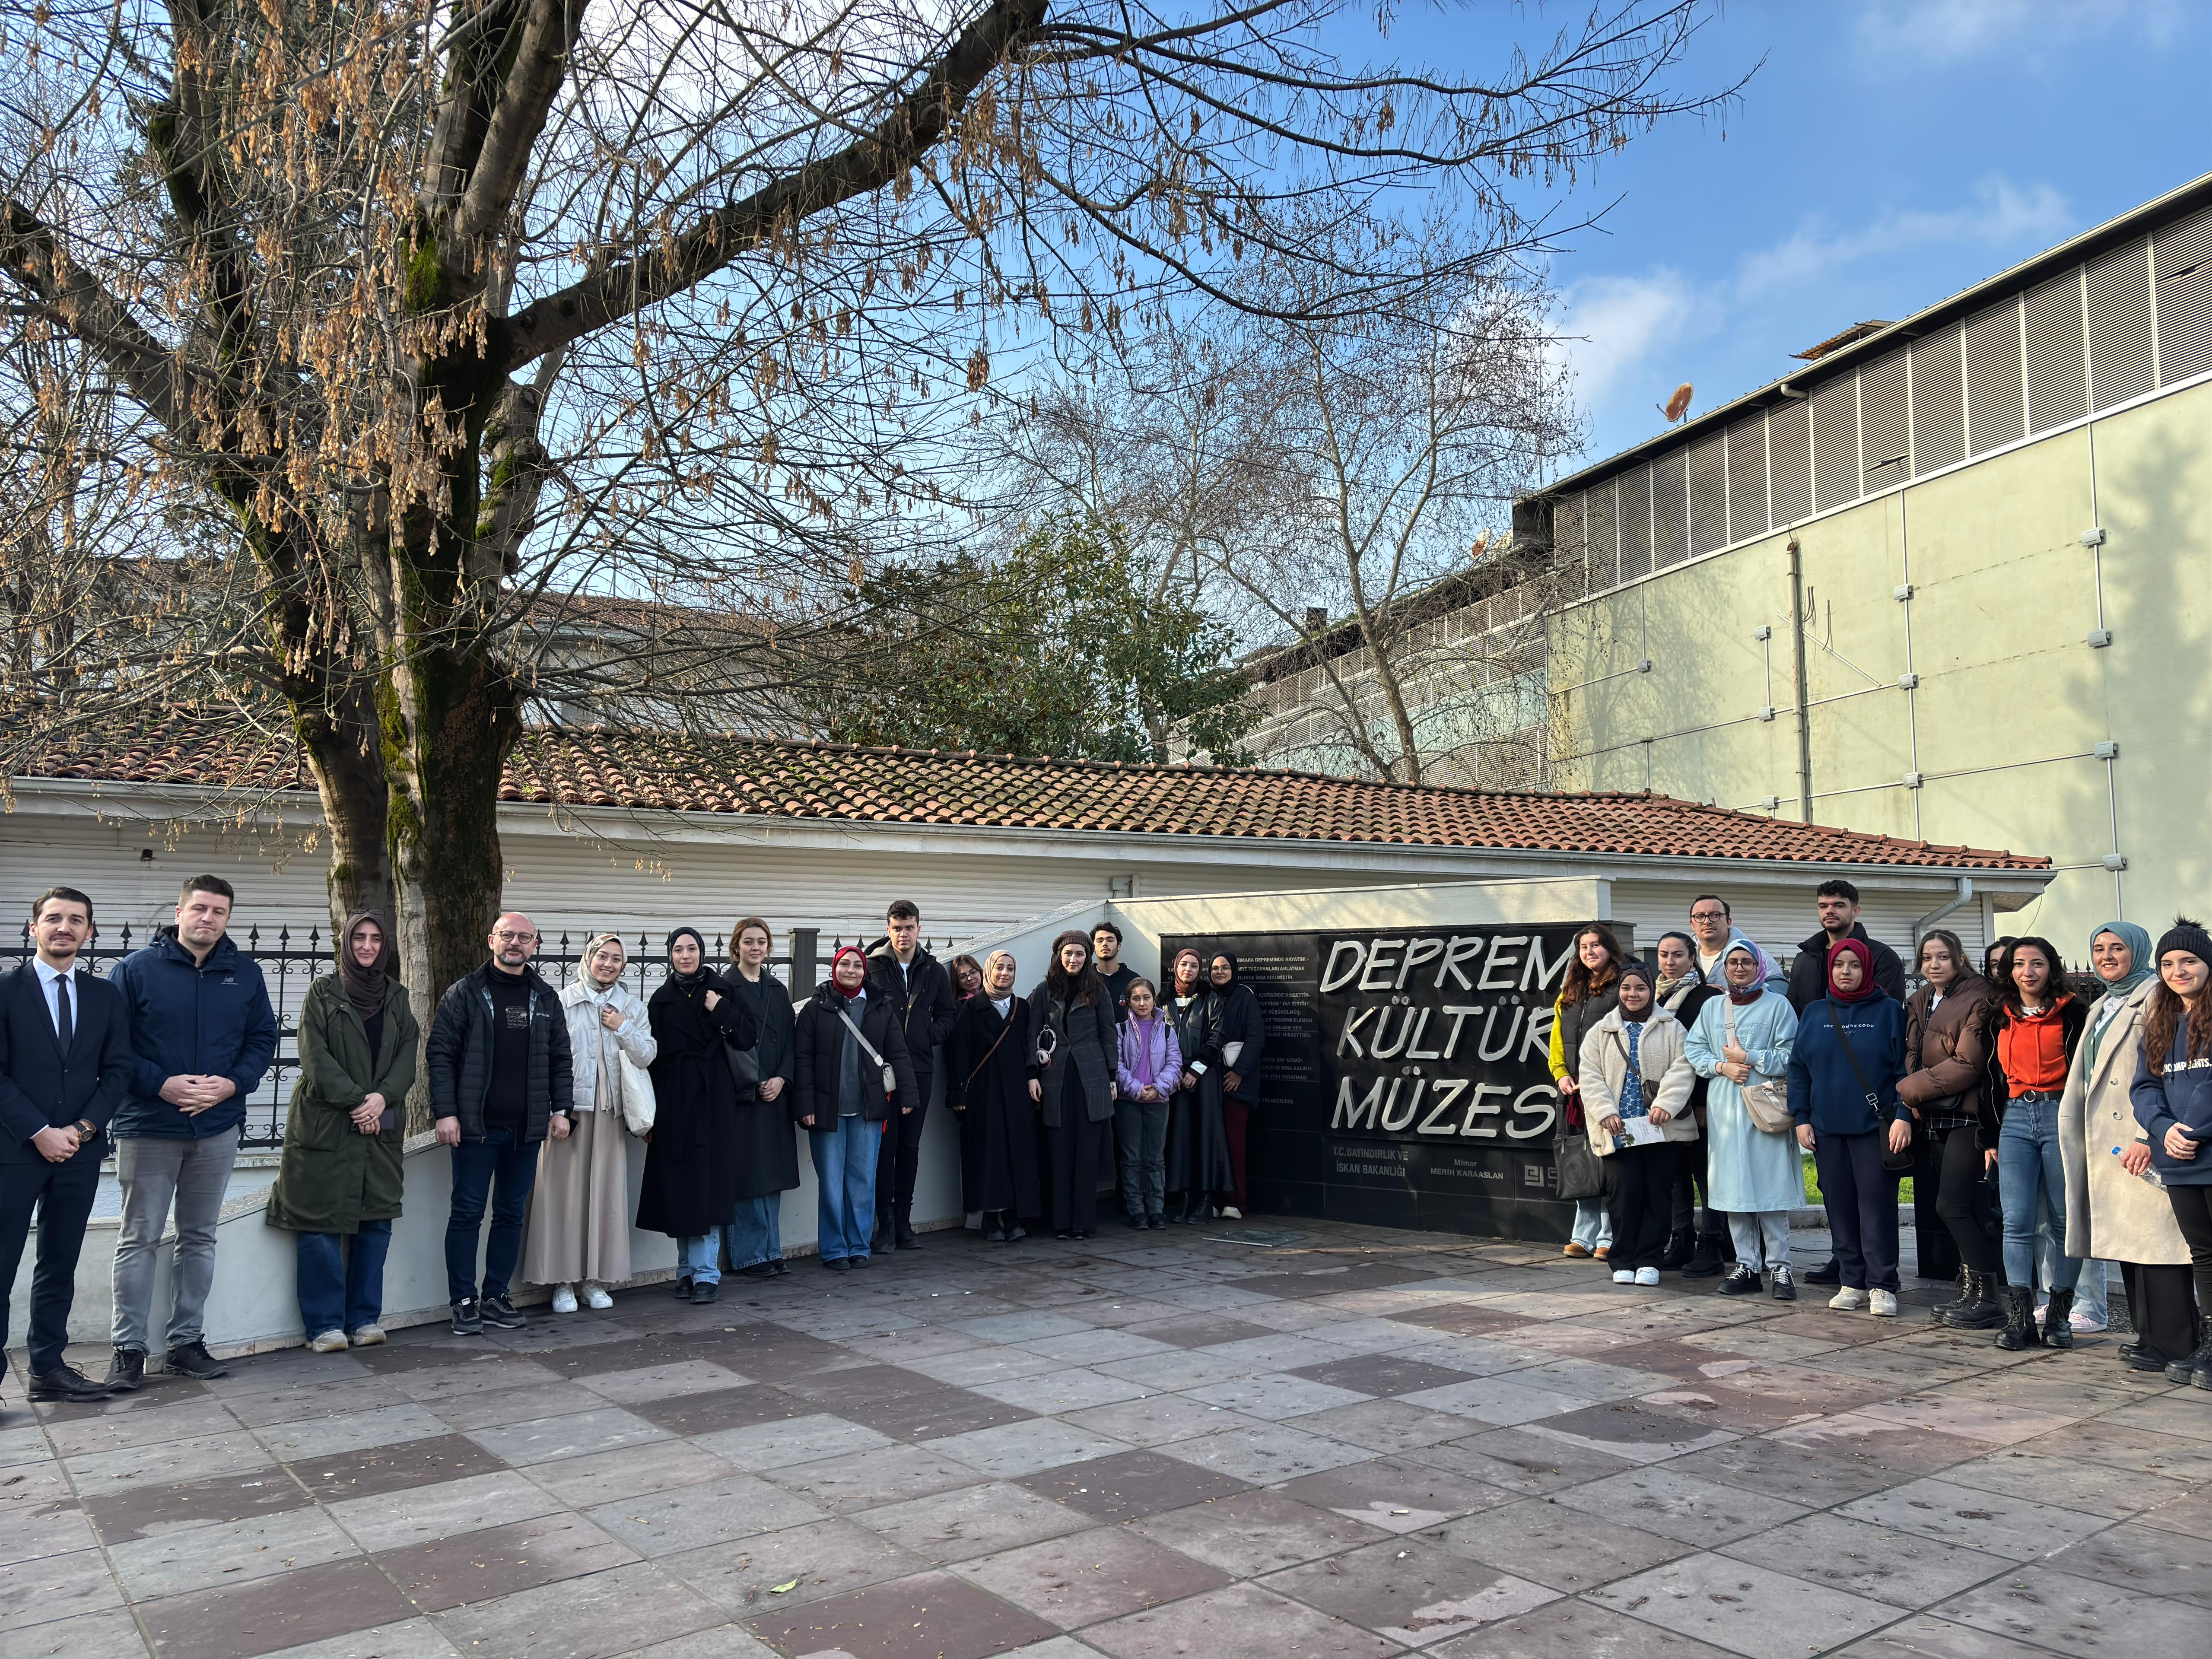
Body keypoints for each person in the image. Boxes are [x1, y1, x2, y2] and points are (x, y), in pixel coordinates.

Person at [106, 874, 279, 1390]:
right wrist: (160, 1085)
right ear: (179, 913)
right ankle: (128, 1349)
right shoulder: (135, 971)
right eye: (199, 909)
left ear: (229, 918)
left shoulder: (245, 974)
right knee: (138, 1238)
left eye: (219, 912)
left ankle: (186, 1343)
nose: (208, 919)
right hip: (149, 1126)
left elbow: (262, 1039)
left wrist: (231, 1085)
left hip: (217, 1128)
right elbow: (112, 1046)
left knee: (199, 1237)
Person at [0, 888, 133, 1403]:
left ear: (89, 932)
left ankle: (47, 1369)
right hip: (14, 1151)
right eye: (53, 918)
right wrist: (39, 1131)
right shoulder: (6, 992)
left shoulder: (105, 997)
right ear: (33, 928)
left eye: (76, 920)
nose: (65, 927)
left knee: (58, 1264)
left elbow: (118, 1071)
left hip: (78, 1155)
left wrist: (79, 1131)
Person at [266, 914, 417, 1352]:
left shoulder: (398, 997)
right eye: (360, 938)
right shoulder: (323, 993)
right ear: (346, 942)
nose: (367, 946)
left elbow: (408, 1055)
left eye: (375, 939)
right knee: (318, 1222)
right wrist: (356, 1100)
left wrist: (379, 1100)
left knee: (377, 1221)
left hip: (381, 1120)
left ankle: (365, 1317)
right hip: (327, 1122)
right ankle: (324, 1326)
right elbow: (314, 1056)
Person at [427, 911, 574, 1336]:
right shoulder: (465, 993)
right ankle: (463, 1301)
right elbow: (440, 1054)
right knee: (467, 1215)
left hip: (527, 1130)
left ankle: (495, 1296)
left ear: (534, 946)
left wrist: (561, 1110)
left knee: (510, 1215)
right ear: (491, 940)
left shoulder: (545, 997)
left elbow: (561, 1058)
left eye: (524, 938)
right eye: (507, 935)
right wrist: (446, 1112)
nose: (515, 943)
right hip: (476, 1128)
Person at [2060, 922, 2195, 1372]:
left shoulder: (2157, 995)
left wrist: (2147, 1135)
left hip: (2142, 1136)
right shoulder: (2102, 1002)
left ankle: (2175, 1343)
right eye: (2098, 949)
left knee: (2158, 1245)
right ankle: (2148, 1337)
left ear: (2135, 951)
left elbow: (2159, 1069)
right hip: (2108, 1141)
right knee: (2130, 1245)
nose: (2105, 957)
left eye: (2116, 948)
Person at [528, 933, 655, 1311]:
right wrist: (556, 1109)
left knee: (605, 1198)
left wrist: (622, 1026)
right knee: (562, 1198)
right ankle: (562, 1282)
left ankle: (595, 1280)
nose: (609, 964)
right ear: (589, 957)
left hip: (610, 1114)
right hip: (569, 1115)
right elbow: (545, 1057)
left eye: (617, 959)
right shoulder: (562, 1001)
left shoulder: (630, 1007)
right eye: (603, 956)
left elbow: (648, 1054)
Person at [639, 927, 760, 1305]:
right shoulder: (659, 1000)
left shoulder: (723, 990)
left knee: (706, 1187)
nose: (686, 956)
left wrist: (719, 1009)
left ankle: (707, 1273)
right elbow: (652, 1061)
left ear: (702, 952)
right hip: (673, 1101)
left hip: (713, 1099)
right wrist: (649, 1116)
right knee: (679, 1187)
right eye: (679, 949)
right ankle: (686, 1272)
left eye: (692, 949)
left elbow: (747, 1037)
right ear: (671, 955)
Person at [1790, 939, 1911, 1317]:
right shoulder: (1814, 1012)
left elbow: (1904, 1070)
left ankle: (1882, 1285)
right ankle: (1851, 1281)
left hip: (1875, 1128)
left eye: (1854, 965)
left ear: (1867, 969)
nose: (1846, 971)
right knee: (1838, 1206)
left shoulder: (1891, 1011)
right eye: (1839, 965)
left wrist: (1903, 1115)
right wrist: (1801, 1116)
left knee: (1876, 1207)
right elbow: (1799, 1068)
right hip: (1826, 1127)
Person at [1983, 935, 2088, 1350]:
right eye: (2020, 963)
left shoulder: (2075, 1012)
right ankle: (2021, 1318)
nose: (2029, 971)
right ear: (2010, 970)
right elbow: (1990, 1078)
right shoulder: (1999, 1015)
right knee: (2017, 1222)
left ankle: (2059, 1317)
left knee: (2066, 1221)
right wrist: (1989, 1136)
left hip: (2061, 1114)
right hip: (2013, 1118)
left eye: (2038, 963)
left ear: (2052, 968)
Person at [1686, 939, 1802, 1299]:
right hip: (1725, 1108)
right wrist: (1721, 1066)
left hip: (1764, 1107)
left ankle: (1781, 1268)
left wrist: (1749, 1057)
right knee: (1734, 1190)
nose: (1739, 968)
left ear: (1759, 967)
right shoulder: (1712, 1007)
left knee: (1770, 1189)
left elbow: (1792, 1054)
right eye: (1733, 962)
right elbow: (1694, 1049)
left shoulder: (1778, 1005)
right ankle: (1747, 1265)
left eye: (1747, 962)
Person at [1899, 929, 2001, 1329]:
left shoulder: (1979, 995)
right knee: (1956, 1208)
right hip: (1935, 1114)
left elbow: (1969, 1063)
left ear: (1959, 958)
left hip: (1968, 1115)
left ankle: (1989, 1297)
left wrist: (1908, 1092)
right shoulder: (1922, 999)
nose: (1934, 964)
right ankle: (1971, 1291)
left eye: (1943, 957)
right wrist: (1916, 1098)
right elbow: (1912, 1053)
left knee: (1953, 1206)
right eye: (1927, 958)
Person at [794, 945, 917, 1269]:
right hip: (826, 1111)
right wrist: (805, 1105)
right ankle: (835, 1249)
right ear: (834, 968)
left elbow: (898, 1053)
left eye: (857, 966)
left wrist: (908, 1095)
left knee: (862, 1182)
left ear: (865, 971)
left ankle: (859, 1245)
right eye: (844, 964)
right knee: (832, 1184)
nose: (851, 970)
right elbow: (802, 1060)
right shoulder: (815, 1009)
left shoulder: (880, 1006)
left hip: (869, 1110)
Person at [1578, 961, 1698, 1287]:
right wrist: (1605, 1111)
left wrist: (1666, 1104)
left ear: (1651, 991)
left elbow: (1683, 1067)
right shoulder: (1601, 1031)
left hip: (1660, 1128)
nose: (1633, 994)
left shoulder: (1671, 1027)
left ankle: (1649, 1260)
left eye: (1641, 988)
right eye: (1627, 988)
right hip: (1619, 1130)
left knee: (1658, 1194)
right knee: (1623, 1194)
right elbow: (1590, 1076)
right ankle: (1623, 1259)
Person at [2132, 918, 2212, 1387]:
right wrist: (2163, 1129)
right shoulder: (2161, 1021)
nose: (2177, 971)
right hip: (2177, 1159)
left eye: (2188, 961)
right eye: (2167, 963)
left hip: (2202, 1149)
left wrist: (2193, 1130)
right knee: (2203, 1253)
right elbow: (2144, 1087)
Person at [867, 901, 957, 1250]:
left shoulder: (934, 970)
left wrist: (926, 1038)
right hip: (883, 1072)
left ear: (920, 928)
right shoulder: (873, 966)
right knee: (884, 1148)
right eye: (897, 928)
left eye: (909, 927)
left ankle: (904, 1224)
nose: (904, 934)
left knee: (909, 1148)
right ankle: (884, 1226)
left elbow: (948, 1015)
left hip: (919, 1070)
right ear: (888, 930)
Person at [1027, 931, 1119, 1239]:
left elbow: (1109, 1034)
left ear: (1088, 957)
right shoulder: (1043, 991)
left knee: (1087, 1151)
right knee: (1060, 1150)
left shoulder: (1099, 990)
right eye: (1068, 954)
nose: (1074, 960)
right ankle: (1062, 1222)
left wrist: (1111, 1077)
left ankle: (1084, 1222)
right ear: (1059, 956)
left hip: (1091, 1078)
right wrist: (1032, 1074)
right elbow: (1031, 1034)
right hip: (1055, 1078)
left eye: (1080, 954)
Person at [947, 949, 1041, 1240]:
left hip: (1016, 1093)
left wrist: (1032, 1078)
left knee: (1018, 1152)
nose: (1005, 973)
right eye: (999, 968)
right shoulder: (971, 1008)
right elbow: (958, 1054)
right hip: (983, 1094)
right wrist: (958, 1094)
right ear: (989, 971)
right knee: (987, 1154)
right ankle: (990, 1217)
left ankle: (1014, 1216)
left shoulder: (1023, 1008)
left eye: (1010, 969)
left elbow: (1030, 1048)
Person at [723, 918, 799, 1279]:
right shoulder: (724, 986)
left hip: (775, 1095)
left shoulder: (777, 989)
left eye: (762, 942)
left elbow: (790, 1040)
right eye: (749, 942)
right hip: (743, 1096)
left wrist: (782, 1078)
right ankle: (749, 1255)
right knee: (746, 1175)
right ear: (737, 946)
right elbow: (724, 1045)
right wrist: (757, 1081)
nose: (756, 948)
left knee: (772, 1174)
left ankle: (771, 1249)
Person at [1548, 924, 1625, 1262]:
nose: (1590, 951)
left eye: (1596, 945)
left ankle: (1609, 1236)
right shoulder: (1570, 989)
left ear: (1610, 948)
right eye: (1583, 946)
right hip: (1573, 1092)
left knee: (1608, 1163)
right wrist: (1561, 1075)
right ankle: (1584, 1236)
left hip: (1608, 1089)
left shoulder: (1623, 983)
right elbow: (1555, 1041)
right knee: (1580, 1160)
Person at [1654, 931, 1729, 1274]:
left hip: (1698, 1102)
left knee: (1705, 1175)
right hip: (1663, 1103)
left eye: (1678, 955)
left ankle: (1712, 1244)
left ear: (1692, 958)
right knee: (1675, 1175)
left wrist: (1700, 1103)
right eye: (1664, 955)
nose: (1671, 962)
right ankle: (1680, 1238)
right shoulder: (1650, 995)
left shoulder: (1706, 997)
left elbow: (1706, 1051)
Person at [1163, 948, 1231, 1225]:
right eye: (1184, 964)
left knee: (1206, 1136)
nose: (1188, 969)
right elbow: (1160, 1039)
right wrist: (1174, 1072)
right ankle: (1185, 1197)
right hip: (1174, 1080)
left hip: (1204, 1079)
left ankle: (1205, 1199)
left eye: (1194, 965)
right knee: (1180, 1139)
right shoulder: (1163, 1000)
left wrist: (1195, 1070)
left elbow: (1216, 1037)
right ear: (1176, 967)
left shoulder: (1211, 999)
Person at [1115, 977, 1182, 1230]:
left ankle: (1156, 1210)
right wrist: (1135, 1089)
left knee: (1156, 1159)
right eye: (1136, 998)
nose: (1142, 1003)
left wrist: (1157, 1088)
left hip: (1159, 1101)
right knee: (1131, 1158)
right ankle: (1136, 1210)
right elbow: (1117, 1064)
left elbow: (1175, 1063)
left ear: (1155, 1000)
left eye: (1146, 997)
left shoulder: (1167, 1030)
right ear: (1129, 1002)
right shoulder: (1120, 1030)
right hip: (1128, 1102)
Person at [1207, 952, 1268, 1220]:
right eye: (1215, 968)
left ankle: (1236, 1202)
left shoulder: (1245, 997)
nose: (1220, 972)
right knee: (1211, 1144)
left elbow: (1256, 1038)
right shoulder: (1206, 996)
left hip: (1236, 1084)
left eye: (1226, 968)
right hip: (1208, 1080)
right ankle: (1213, 1199)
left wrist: (1239, 1073)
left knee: (1234, 1144)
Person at [1787, 881, 1908, 1010]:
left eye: (1839, 906)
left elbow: (1886, 1012)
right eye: (1823, 906)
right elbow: (1793, 1011)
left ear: (1855, 911)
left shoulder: (1882, 956)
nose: (1829, 911)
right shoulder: (1804, 959)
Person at [1093, 923, 1138, 1023]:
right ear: (1093, 947)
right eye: (1100, 941)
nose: (1105, 944)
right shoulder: (1085, 979)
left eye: (1110, 940)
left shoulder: (1134, 980)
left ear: (1119, 946)